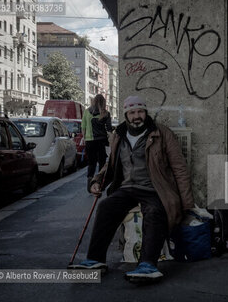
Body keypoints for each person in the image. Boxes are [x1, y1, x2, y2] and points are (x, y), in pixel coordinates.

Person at [70, 95, 194, 282]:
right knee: (106, 207)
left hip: (154, 189)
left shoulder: (162, 133)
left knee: (154, 211)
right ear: (126, 115)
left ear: (146, 112)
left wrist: (186, 204)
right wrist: (96, 181)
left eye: (141, 111)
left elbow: (179, 168)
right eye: (132, 112)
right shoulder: (118, 135)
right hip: (127, 188)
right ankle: (95, 260)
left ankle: (148, 264)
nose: (137, 116)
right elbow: (109, 165)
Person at [81, 94, 113, 192]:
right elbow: (109, 129)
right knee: (102, 163)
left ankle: (90, 185)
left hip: (90, 141)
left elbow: (83, 127)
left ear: (93, 101)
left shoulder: (87, 112)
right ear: (103, 102)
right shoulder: (106, 113)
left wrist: (85, 138)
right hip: (102, 141)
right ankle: (100, 184)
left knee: (91, 163)